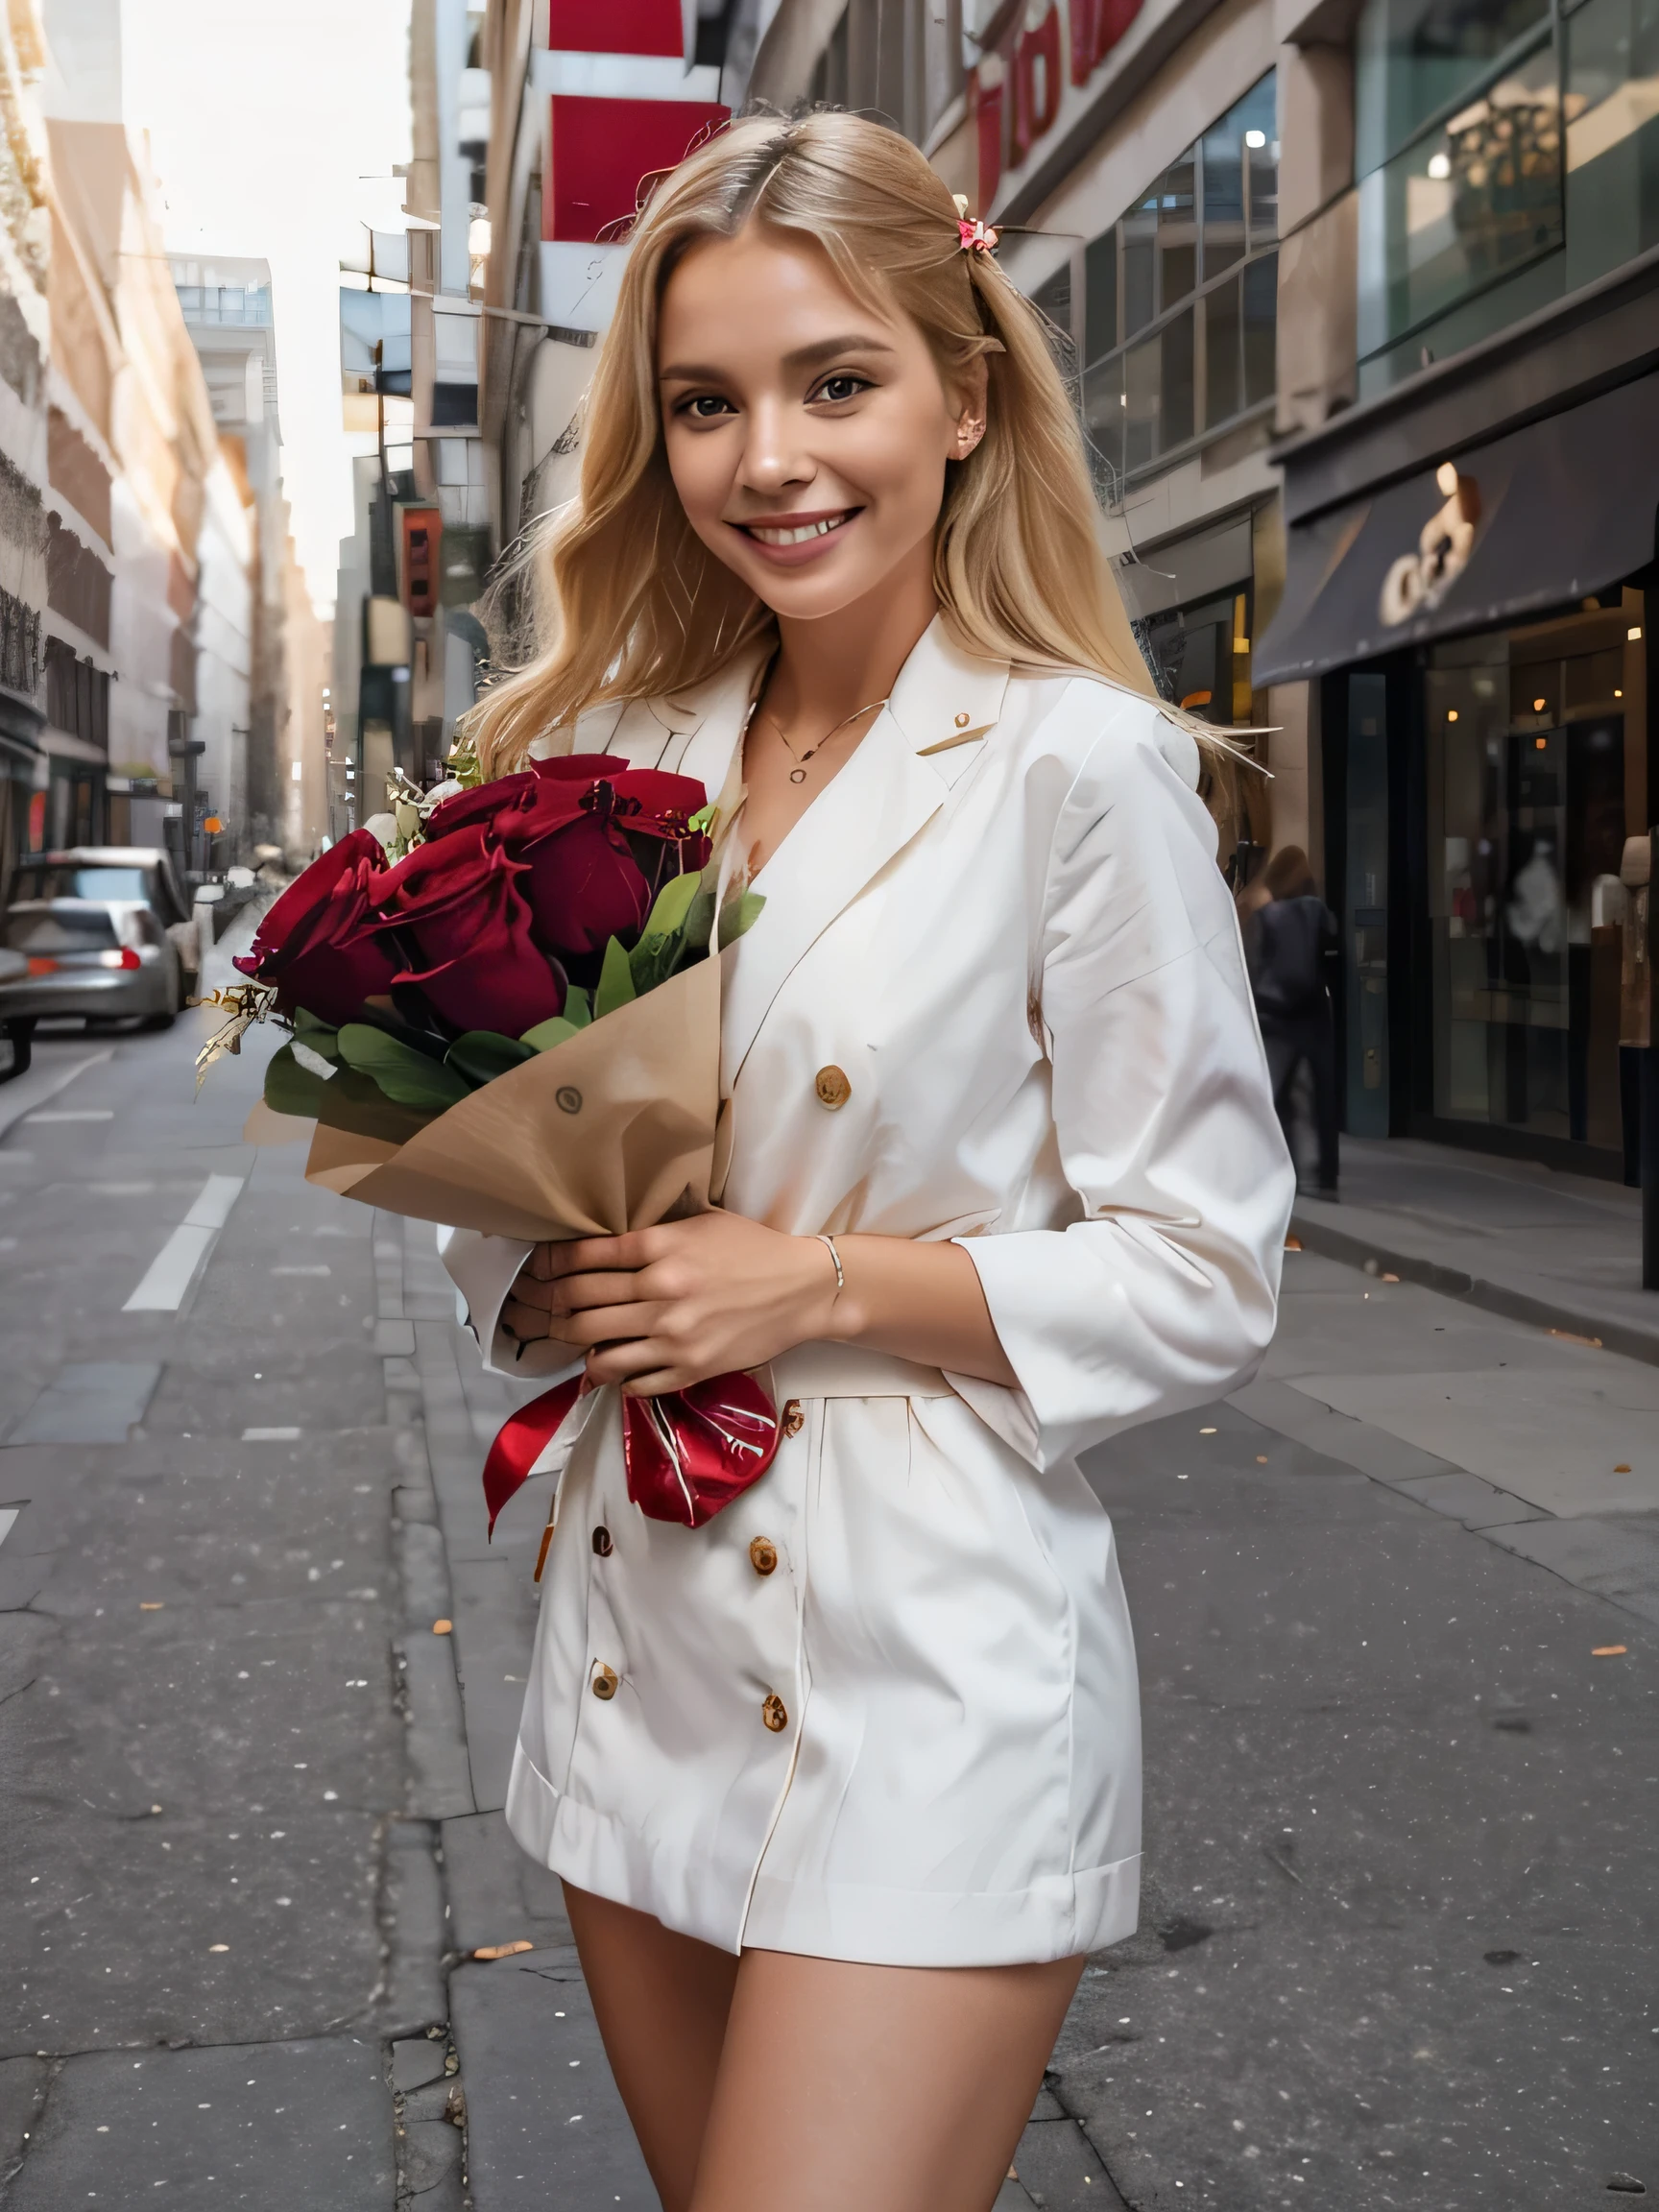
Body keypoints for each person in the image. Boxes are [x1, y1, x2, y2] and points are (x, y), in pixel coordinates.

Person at [439, 112, 1292, 2212]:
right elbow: (517, 1195)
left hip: (927, 1658)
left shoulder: (1078, 764)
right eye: (708, 403)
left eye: (839, 383)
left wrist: (810, 1284)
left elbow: (1206, 1266)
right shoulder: (614, 759)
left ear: (964, 395)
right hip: (641, 1627)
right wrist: (543, 1286)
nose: (771, 460)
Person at [1244, 844, 1338, 1197]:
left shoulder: (1267, 916)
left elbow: (1256, 967)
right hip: (1315, 1014)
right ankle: (1329, 1177)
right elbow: (1332, 955)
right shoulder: (1317, 911)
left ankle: (1289, 1171)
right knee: (1323, 1097)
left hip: (1278, 1017)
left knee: (1281, 1095)